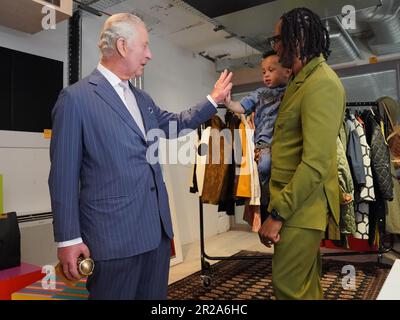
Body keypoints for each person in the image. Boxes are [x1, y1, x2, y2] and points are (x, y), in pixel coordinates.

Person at [48, 13, 232, 300]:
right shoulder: (75, 99)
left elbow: (175, 124)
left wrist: (213, 101)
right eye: (144, 46)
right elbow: (63, 177)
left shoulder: (143, 99)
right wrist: (69, 238)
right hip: (112, 240)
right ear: (122, 46)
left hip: (156, 235)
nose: (150, 54)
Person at [258, 7, 346, 299]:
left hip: (299, 209)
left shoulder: (322, 83)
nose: (275, 47)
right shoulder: (300, 80)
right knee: (305, 289)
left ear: (297, 39)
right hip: (294, 203)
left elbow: (316, 162)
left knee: (288, 289)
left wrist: (277, 214)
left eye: (278, 39)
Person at [224, 51, 291, 211]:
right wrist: (228, 103)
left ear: (287, 72)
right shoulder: (260, 93)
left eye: (271, 70)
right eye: (263, 72)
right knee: (265, 166)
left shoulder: (291, 92)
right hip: (264, 144)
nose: (266, 75)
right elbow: (241, 107)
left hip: (283, 144)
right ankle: (266, 199)